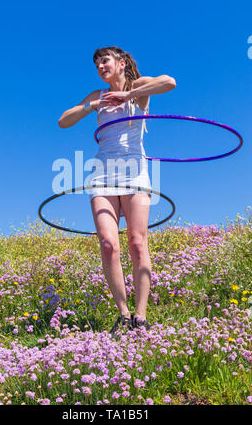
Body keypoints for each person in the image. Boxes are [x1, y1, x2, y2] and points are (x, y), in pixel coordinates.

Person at [58, 46, 176, 338]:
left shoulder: (139, 87)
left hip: (135, 172)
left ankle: (141, 315)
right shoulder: (97, 96)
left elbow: (170, 82)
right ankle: (123, 315)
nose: (100, 65)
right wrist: (92, 107)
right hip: (102, 175)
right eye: (97, 62)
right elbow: (63, 120)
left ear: (121, 64)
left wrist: (129, 95)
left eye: (105, 60)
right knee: (108, 244)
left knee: (137, 243)